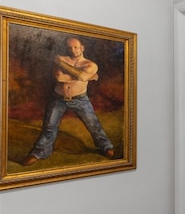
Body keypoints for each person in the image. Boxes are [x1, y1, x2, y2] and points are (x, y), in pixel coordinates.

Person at [21, 36, 115, 166]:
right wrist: (87, 77)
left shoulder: (89, 64)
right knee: (49, 127)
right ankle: (39, 152)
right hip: (58, 98)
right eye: (69, 48)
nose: (73, 50)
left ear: (82, 48)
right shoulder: (64, 59)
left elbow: (82, 76)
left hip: (80, 99)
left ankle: (106, 147)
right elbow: (59, 77)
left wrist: (63, 65)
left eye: (76, 47)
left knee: (94, 125)